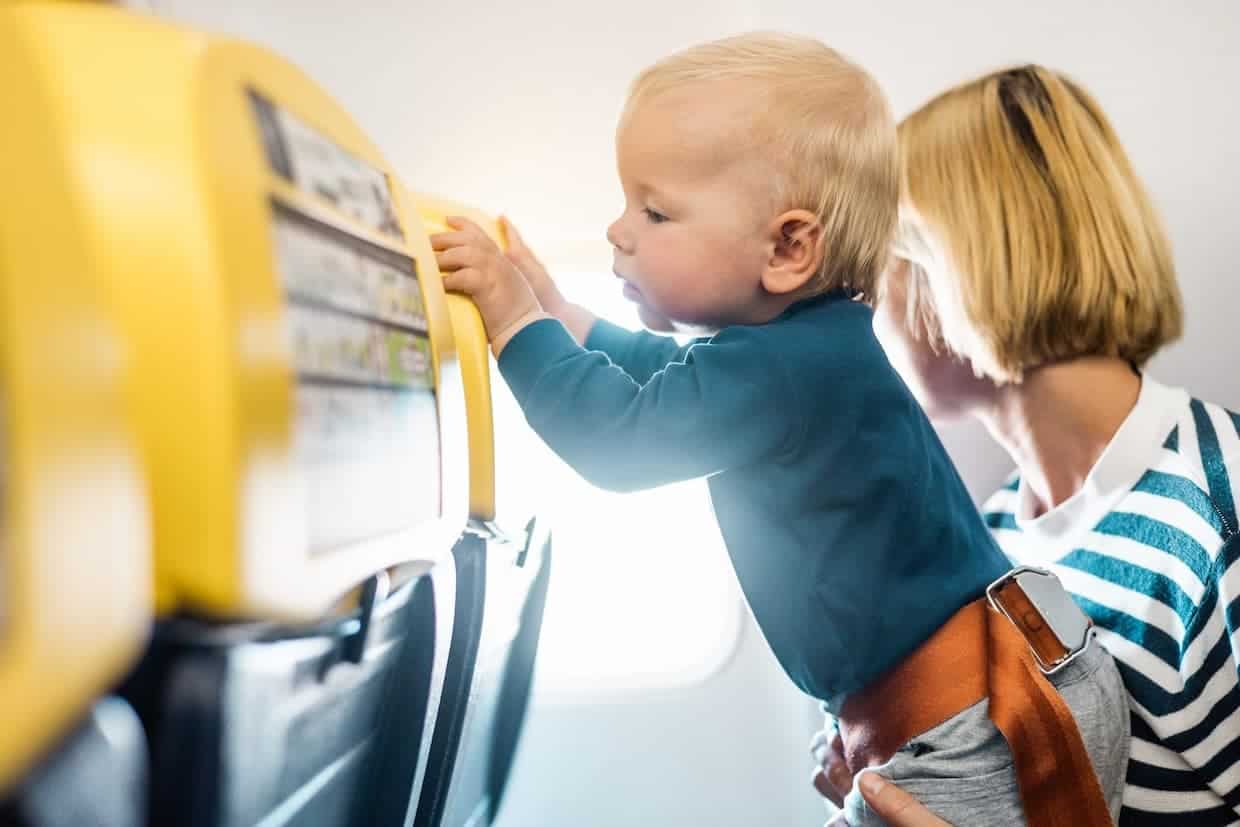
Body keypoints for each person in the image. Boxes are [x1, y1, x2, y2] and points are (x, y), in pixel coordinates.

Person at [433, 33, 1126, 825]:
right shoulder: (800, 351)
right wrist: (563, 315)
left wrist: (516, 320)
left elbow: (621, 441)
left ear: (789, 247)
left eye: (655, 210)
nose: (619, 230)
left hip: (974, 724)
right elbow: (668, 378)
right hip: (1017, 670)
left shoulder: (784, 370)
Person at [815, 63, 1240, 826]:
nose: (870, 316)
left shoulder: (1219, 511)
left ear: (957, 273)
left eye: (881, 276)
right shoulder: (996, 531)